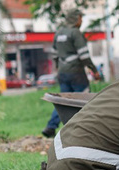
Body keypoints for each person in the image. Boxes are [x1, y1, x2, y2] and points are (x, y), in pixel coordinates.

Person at [41, 9, 100, 138]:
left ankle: (51, 127)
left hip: (63, 73)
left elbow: (55, 55)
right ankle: (87, 130)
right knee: (85, 100)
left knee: (62, 101)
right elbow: (84, 55)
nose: (82, 20)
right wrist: (94, 70)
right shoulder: (75, 33)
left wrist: (59, 69)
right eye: (80, 18)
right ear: (75, 18)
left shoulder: (59, 33)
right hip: (76, 73)